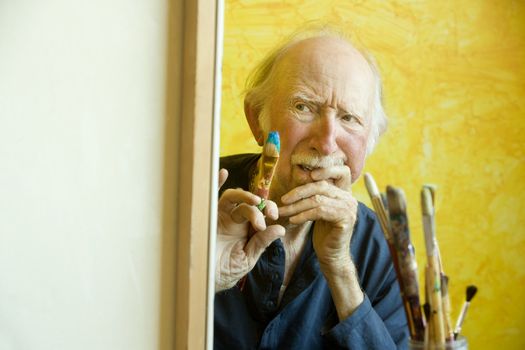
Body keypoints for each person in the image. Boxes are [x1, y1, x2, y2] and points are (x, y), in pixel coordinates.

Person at [214, 29, 408, 349]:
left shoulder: (382, 245)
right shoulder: (194, 194)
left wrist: (340, 269)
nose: (327, 141)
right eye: (304, 107)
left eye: (349, 118)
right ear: (256, 120)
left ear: (370, 139)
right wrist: (204, 281)